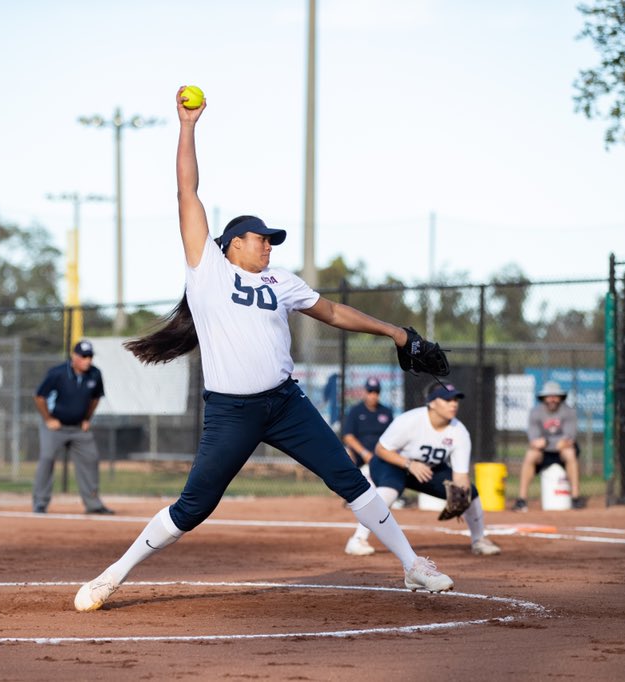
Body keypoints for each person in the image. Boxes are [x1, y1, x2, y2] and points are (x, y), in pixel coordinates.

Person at [73, 86, 454, 612]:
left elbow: (336, 313)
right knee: (194, 505)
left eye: (271, 238)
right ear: (231, 244)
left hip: (285, 404)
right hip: (232, 412)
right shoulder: (206, 269)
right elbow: (188, 193)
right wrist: (187, 127)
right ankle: (112, 576)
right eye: (259, 237)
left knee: (346, 476)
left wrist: (395, 332)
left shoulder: (282, 280)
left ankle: (413, 566)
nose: (268, 243)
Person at [343, 382, 501, 557]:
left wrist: (461, 498)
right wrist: (409, 464)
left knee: (470, 492)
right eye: (447, 399)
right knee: (389, 489)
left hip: (427, 470)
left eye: (456, 399)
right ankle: (357, 540)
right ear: (432, 403)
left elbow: (460, 475)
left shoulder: (459, 432)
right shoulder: (410, 420)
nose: (454, 403)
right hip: (391, 463)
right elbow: (381, 450)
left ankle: (479, 540)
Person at [32, 338, 115, 515]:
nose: (88, 360)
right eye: (84, 356)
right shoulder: (57, 373)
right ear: (74, 356)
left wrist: (87, 419)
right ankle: (40, 503)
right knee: (47, 458)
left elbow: (95, 398)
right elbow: (39, 397)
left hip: (78, 428)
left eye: (90, 356)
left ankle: (93, 504)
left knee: (91, 458)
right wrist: (48, 419)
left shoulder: (95, 374)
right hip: (55, 426)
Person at [513, 380, 585, 511]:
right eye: (549, 396)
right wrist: (551, 443)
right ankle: (521, 499)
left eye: (555, 396)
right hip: (544, 453)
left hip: (561, 452)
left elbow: (568, 439)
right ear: (544, 398)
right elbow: (534, 441)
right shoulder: (535, 412)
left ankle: (575, 498)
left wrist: (546, 442)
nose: (552, 399)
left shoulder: (569, 412)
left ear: (560, 398)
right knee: (531, 454)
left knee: (570, 453)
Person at [341, 378, 394, 556]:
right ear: (365, 392)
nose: (373, 395)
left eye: (376, 392)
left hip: (381, 459)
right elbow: (348, 436)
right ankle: (351, 491)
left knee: (377, 493)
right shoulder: (356, 411)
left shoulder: (386, 412)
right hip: (362, 458)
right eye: (370, 391)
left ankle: (359, 536)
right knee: (348, 453)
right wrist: (365, 453)